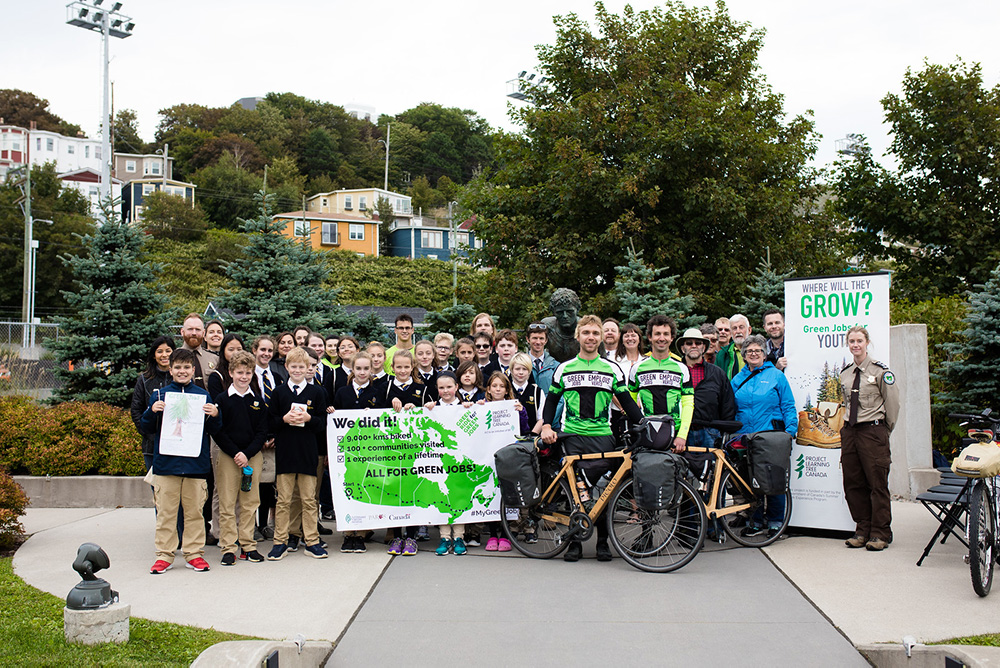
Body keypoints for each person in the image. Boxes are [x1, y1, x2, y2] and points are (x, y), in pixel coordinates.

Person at [541, 315, 645, 563]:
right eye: (586, 333)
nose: (590, 337)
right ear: (578, 336)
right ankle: (574, 544)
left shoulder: (612, 368)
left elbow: (628, 402)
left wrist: (644, 423)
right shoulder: (564, 368)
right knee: (578, 492)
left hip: (603, 436)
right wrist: (545, 425)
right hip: (573, 436)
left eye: (595, 333)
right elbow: (552, 400)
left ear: (601, 338)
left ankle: (602, 542)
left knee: (605, 491)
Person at [140, 348, 222, 574]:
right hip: (167, 465)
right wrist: (152, 412)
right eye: (178, 367)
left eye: (187, 367)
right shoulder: (160, 395)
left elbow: (214, 429)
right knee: (166, 512)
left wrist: (215, 415)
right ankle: (164, 555)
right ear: (170, 369)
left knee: (195, 512)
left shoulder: (202, 396)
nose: (182, 371)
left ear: (193, 370)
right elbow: (145, 427)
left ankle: (194, 553)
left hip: (195, 465)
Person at [731, 334, 797, 538]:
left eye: (757, 350)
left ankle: (776, 521)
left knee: (773, 478)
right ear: (744, 355)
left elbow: (787, 404)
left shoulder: (776, 375)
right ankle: (756, 520)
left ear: (764, 354)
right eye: (749, 351)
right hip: (745, 436)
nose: (753, 354)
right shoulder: (737, 379)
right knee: (750, 480)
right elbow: (730, 408)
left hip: (771, 434)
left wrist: (791, 431)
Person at [266, 347, 329, 561]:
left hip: (308, 452)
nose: (298, 370)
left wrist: (309, 418)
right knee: (283, 500)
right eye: (293, 366)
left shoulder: (317, 393)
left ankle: (311, 540)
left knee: (309, 499)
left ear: (309, 368)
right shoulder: (279, 393)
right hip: (285, 453)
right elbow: (270, 422)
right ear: (286, 367)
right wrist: (284, 419)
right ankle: (280, 541)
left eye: (302, 367)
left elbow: (323, 423)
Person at [839, 326, 899, 552]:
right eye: (852, 341)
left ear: (867, 343)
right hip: (850, 432)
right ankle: (862, 529)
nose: (855, 345)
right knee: (853, 482)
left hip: (873, 431)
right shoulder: (845, 373)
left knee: (877, 483)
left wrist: (883, 431)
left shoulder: (882, 372)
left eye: (859, 341)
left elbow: (893, 405)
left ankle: (880, 532)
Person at [212, 350, 267, 565]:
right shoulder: (222, 400)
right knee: (227, 503)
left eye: (248, 373)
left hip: (251, 457)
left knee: (250, 502)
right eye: (239, 372)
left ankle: (248, 545)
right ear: (231, 372)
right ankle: (228, 547)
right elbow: (217, 430)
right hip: (228, 456)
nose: (244, 377)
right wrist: (236, 453)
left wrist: (247, 453)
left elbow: (262, 431)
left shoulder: (257, 401)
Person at [332, 351, 382, 553]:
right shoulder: (342, 393)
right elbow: (334, 422)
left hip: (369, 452)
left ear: (372, 370)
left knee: (365, 488)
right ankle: (348, 531)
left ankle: (361, 533)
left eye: (366, 369)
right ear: (352, 370)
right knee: (348, 487)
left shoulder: (377, 393)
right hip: (347, 453)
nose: (362, 372)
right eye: (358, 368)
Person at [382, 349, 428, 557]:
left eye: (406, 367)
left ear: (412, 367)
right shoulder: (385, 388)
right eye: (398, 367)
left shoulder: (422, 388)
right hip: (391, 450)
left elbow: (431, 412)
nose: (402, 370)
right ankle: (397, 535)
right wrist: (388, 407)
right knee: (395, 492)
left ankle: (411, 536)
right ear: (392, 368)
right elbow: (373, 413)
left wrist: (417, 407)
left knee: (412, 491)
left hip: (415, 450)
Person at [675, 327, 736, 478]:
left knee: (714, 477)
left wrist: (724, 433)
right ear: (683, 348)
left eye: (698, 343)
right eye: (689, 343)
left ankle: (715, 503)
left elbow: (727, 404)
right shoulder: (674, 371)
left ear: (704, 347)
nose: (693, 346)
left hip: (710, 432)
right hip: (681, 433)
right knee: (683, 477)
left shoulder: (717, 373)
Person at [426, 371, 474, 555]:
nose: (446, 391)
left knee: (459, 496)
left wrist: (473, 408)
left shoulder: (465, 407)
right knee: (442, 497)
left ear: (456, 387)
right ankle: (445, 537)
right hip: (439, 463)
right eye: (441, 388)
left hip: (460, 462)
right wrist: (427, 407)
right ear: (437, 390)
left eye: (449, 387)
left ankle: (459, 537)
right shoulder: (432, 409)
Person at [629, 316, 693, 451]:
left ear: (672, 338)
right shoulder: (637, 368)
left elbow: (688, 405)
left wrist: (682, 435)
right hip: (647, 432)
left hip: (674, 434)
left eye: (666, 334)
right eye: (657, 334)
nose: (661, 338)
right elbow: (631, 403)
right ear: (650, 337)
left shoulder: (682, 368)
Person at [483, 371, 528, 552]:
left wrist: (522, 412)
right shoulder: (483, 407)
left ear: (507, 389)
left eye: (502, 386)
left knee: (509, 494)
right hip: (488, 457)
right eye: (494, 386)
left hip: (509, 458)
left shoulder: (514, 406)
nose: (498, 389)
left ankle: (507, 535)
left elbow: (524, 430)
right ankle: (493, 534)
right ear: (489, 389)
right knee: (490, 495)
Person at [252, 335, 284, 540]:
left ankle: (264, 524)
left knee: (267, 485)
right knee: (253, 483)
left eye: (270, 351)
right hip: (255, 437)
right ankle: (251, 524)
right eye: (262, 349)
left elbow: (280, 409)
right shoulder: (249, 376)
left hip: (274, 438)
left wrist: (275, 435)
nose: (266, 354)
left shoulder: (277, 377)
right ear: (254, 350)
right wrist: (260, 436)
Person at [131, 335, 175, 472]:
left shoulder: (181, 378)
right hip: (151, 447)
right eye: (159, 351)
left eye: (168, 351)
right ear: (154, 355)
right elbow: (136, 410)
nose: (164, 355)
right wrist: (147, 434)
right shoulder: (145, 379)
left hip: (177, 446)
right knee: (157, 488)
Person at [610, 322, 644, 445]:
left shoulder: (646, 361)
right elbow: (610, 388)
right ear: (622, 340)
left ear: (639, 339)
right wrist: (623, 406)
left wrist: (638, 404)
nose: (630, 339)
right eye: (626, 336)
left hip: (641, 411)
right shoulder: (614, 363)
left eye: (633, 335)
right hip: (618, 412)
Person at [540, 288, 582, 362]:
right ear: (553, 312)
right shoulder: (547, 326)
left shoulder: (587, 328)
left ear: (577, 309)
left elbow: (602, 358)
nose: (565, 316)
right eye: (560, 312)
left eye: (569, 311)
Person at [179, 313, 218, 390]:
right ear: (182, 332)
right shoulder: (173, 357)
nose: (194, 333)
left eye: (197, 329)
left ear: (203, 333)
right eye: (190, 329)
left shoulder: (215, 359)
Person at [510, 352, 545, 435]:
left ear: (529, 371)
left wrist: (531, 436)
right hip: (508, 439)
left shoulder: (537, 392)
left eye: (524, 369)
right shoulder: (505, 390)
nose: (521, 372)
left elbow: (541, 419)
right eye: (517, 369)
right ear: (511, 370)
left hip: (531, 440)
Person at [526, 322, 558, 394]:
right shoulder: (521, 364)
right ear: (528, 339)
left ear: (546, 340)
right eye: (534, 338)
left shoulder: (555, 366)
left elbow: (560, 394)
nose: (538, 342)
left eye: (541, 338)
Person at [716, 314, 750, 380]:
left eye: (741, 327)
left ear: (749, 330)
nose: (738, 331)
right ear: (731, 333)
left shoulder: (758, 351)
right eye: (734, 328)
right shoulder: (722, 354)